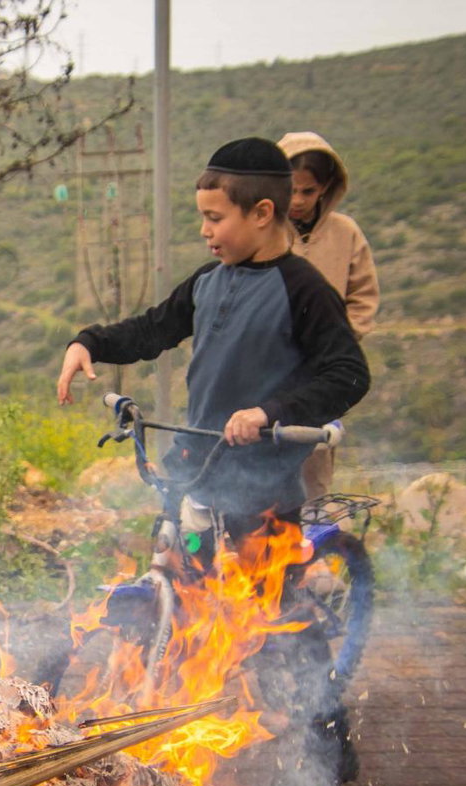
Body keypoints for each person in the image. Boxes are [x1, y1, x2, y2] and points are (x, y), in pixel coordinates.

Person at [56, 136, 371, 542]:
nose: (205, 231)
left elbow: (349, 374)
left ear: (261, 213)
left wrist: (268, 412)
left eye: (215, 218)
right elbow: (154, 329)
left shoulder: (303, 289)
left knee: (264, 601)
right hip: (201, 464)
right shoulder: (208, 280)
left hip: (264, 484)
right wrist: (89, 343)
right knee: (185, 577)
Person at [278, 131, 380, 499]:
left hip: (322, 370)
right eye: (291, 190)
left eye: (309, 191)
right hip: (271, 369)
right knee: (266, 465)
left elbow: (363, 298)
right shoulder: (265, 232)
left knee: (315, 463)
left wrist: (336, 343)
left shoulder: (345, 233)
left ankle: (314, 545)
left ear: (325, 189)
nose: (299, 201)